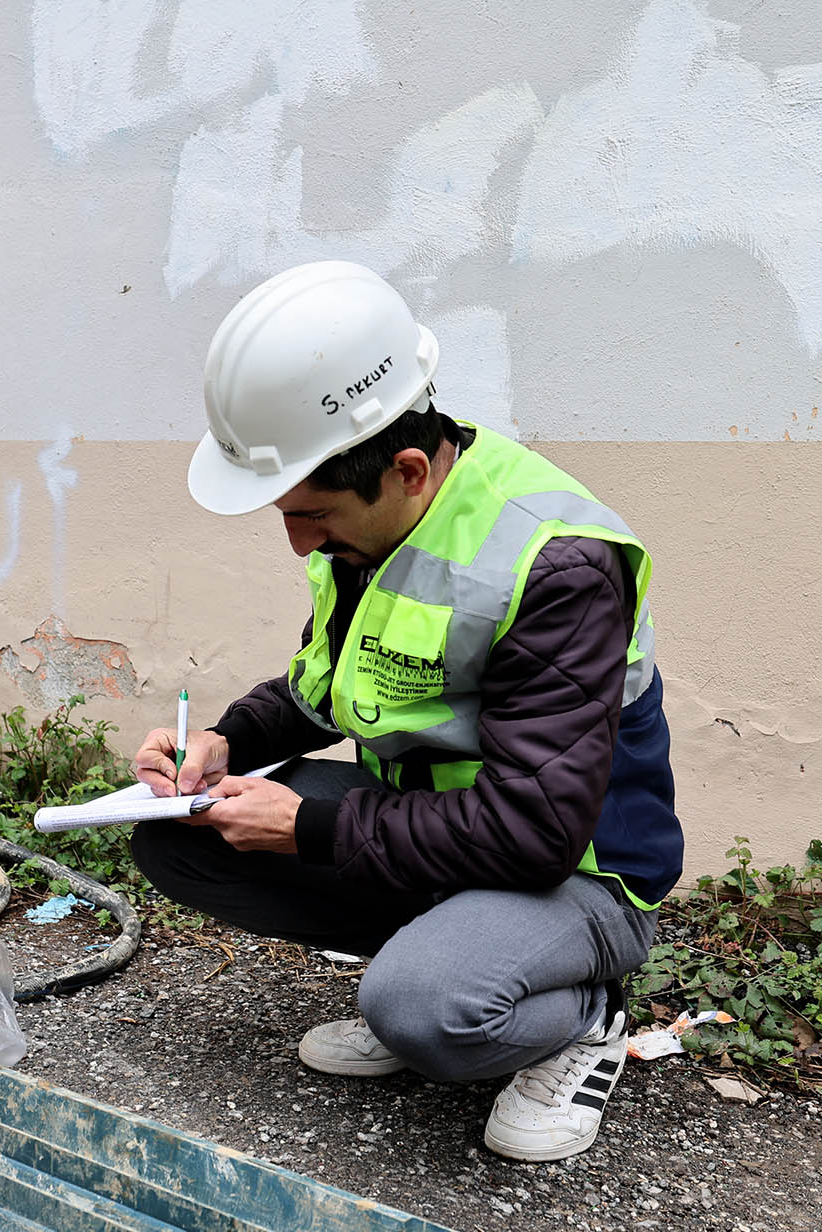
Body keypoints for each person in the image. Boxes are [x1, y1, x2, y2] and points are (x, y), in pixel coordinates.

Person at [130, 260, 683, 1162]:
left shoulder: (558, 563)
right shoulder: (370, 528)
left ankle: (588, 1011)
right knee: (175, 832)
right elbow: (325, 688)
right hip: (444, 846)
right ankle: (443, 950)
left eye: (311, 513)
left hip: (574, 875)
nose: (297, 539)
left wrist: (308, 826)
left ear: (408, 468)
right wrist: (227, 741)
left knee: (421, 1009)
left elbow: (535, 831)